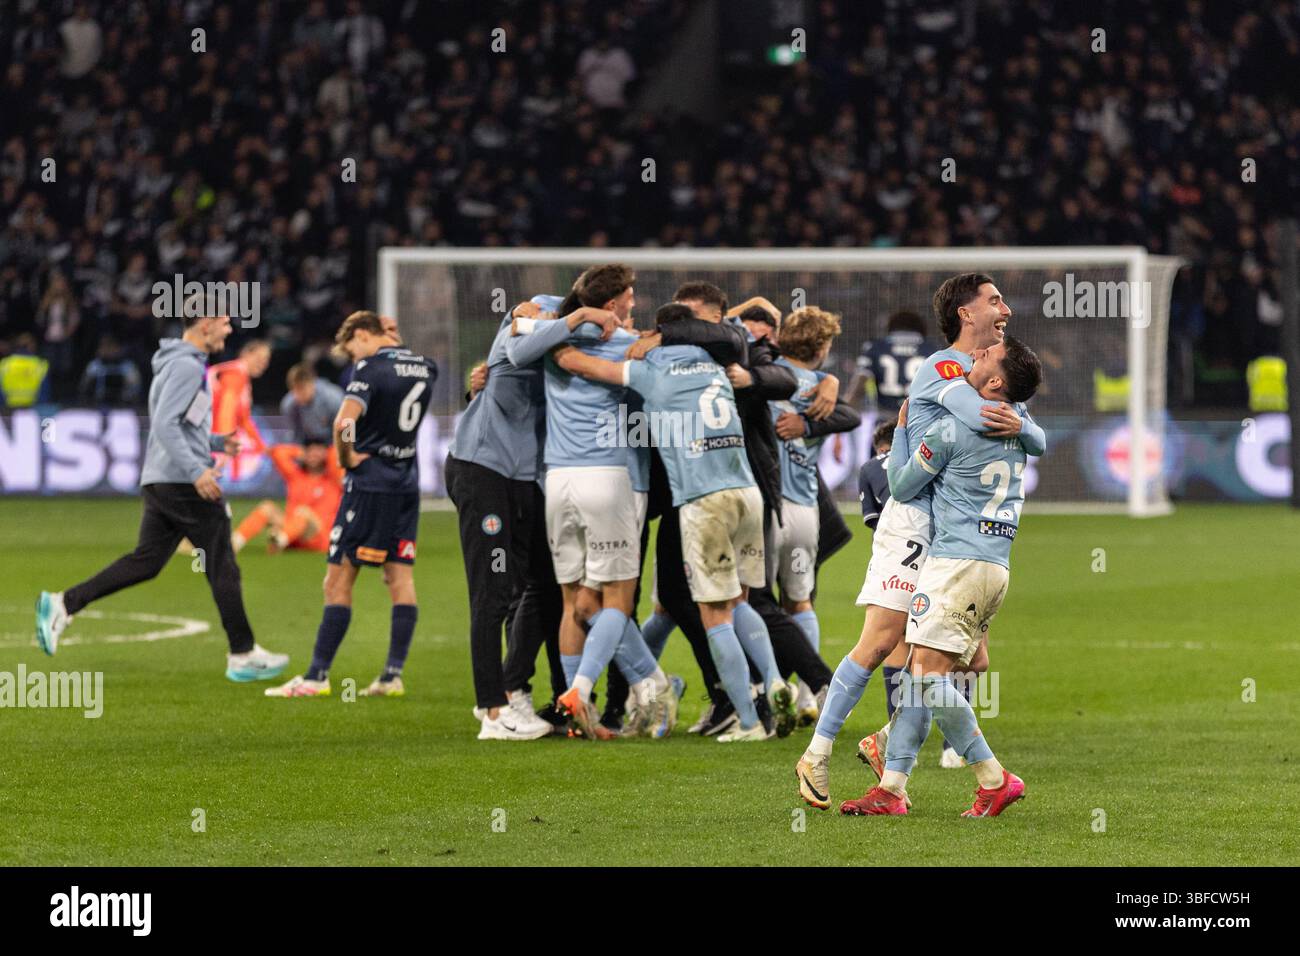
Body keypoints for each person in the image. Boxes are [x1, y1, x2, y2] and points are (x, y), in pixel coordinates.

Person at [795, 272, 1046, 810]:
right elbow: (983, 418)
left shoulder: (997, 376)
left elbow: (1036, 436)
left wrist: (1021, 425)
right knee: (886, 640)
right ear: (966, 313)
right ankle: (817, 753)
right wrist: (1011, 422)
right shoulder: (944, 368)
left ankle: (893, 779)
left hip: (957, 532)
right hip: (914, 519)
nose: (1005, 309)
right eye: (994, 300)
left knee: (939, 665)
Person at [35, 300, 289, 682]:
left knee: (147, 562)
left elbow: (182, 425)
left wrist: (217, 443)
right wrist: (198, 470)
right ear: (204, 325)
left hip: (163, 479)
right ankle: (242, 652)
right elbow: (166, 424)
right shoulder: (187, 367)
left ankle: (64, 603)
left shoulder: (179, 362)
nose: (230, 330)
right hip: (182, 481)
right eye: (224, 323)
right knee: (220, 560)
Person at [559, 302, 775, 743]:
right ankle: (776, 685)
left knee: (714, 615)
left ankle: (750, 723)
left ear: (661, 332)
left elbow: (580, 365)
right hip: (747, 492)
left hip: (703, 499)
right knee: (741, 602)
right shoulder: (716, 363)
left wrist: (553, 337)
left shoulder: (650, 369)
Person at [510, 272, 677, 740]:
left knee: (577, 603)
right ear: (611, 303)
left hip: (558, 478)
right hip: (608, 475)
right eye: (628, 297)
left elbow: (519, 335)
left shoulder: (552, 333)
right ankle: (638, 688)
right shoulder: (627, 343)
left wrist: (549, 315)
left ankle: (579, 714)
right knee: (617, 602)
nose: (634, 304)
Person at [265, 311, 436, 699]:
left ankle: (316, 677)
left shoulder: (370, 369)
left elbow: (344, 424)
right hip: (407, 482)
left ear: (362, 334)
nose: (353, 357)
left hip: (369, 483)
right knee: (400, 578)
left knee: (337, 580)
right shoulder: (426, 367)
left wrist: (343, 458)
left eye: (353, 348)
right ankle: (392, 676)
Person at [231, 441, 344, 554]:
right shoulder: (295, 476)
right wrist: (299, 452)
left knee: (304, 512)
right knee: (267, 507)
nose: (313, 454)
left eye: (318, 451)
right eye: (310, 450)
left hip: (319, 537)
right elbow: (278, 453)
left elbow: (338, 451)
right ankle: (234, 542)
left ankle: (279, 540)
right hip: (292, 533)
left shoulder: (334, 480)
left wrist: (326, 453)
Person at [850, 310, 942, 412]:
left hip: (885, 418)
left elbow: (860, 384)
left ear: (890, 327)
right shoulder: (933, 350)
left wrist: (844, 411)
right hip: (920, 419)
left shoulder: (875, 347)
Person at [208, 339, 271, 479]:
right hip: (206, 439)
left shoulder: (241, 378)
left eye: (266, 360)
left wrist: (261, 445)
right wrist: (224, 441)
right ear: (245, 354)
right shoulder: (235, 375)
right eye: (259, 358)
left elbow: (243, 420)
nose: (263, 363)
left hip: (210, 439)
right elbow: (226, 410)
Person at [280, 362, 344, 445]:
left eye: (302, 390)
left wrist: (328, 448)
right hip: (308, 443)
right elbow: (295, 435)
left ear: (312, 384)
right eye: (294, 390)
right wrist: (305, 451)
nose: (298, 395)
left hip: (333, 441)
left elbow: (346, 429)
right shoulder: (289, 405)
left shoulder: (334, 398)